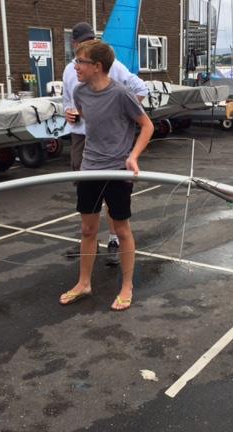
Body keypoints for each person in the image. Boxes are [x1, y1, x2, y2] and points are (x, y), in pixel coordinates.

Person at [60, 40, 154, 311]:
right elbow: (88, 120)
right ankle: (84, 283)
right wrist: (74, 119)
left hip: (116, 170)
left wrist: (133, 156)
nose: (75, 67)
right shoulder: (79, 93)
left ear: (97, 67)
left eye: (80, 62)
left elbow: (146, 126)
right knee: (88, 229)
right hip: (90, 169)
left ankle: (127, 286)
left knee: (121, 229)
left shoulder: (121, 94)